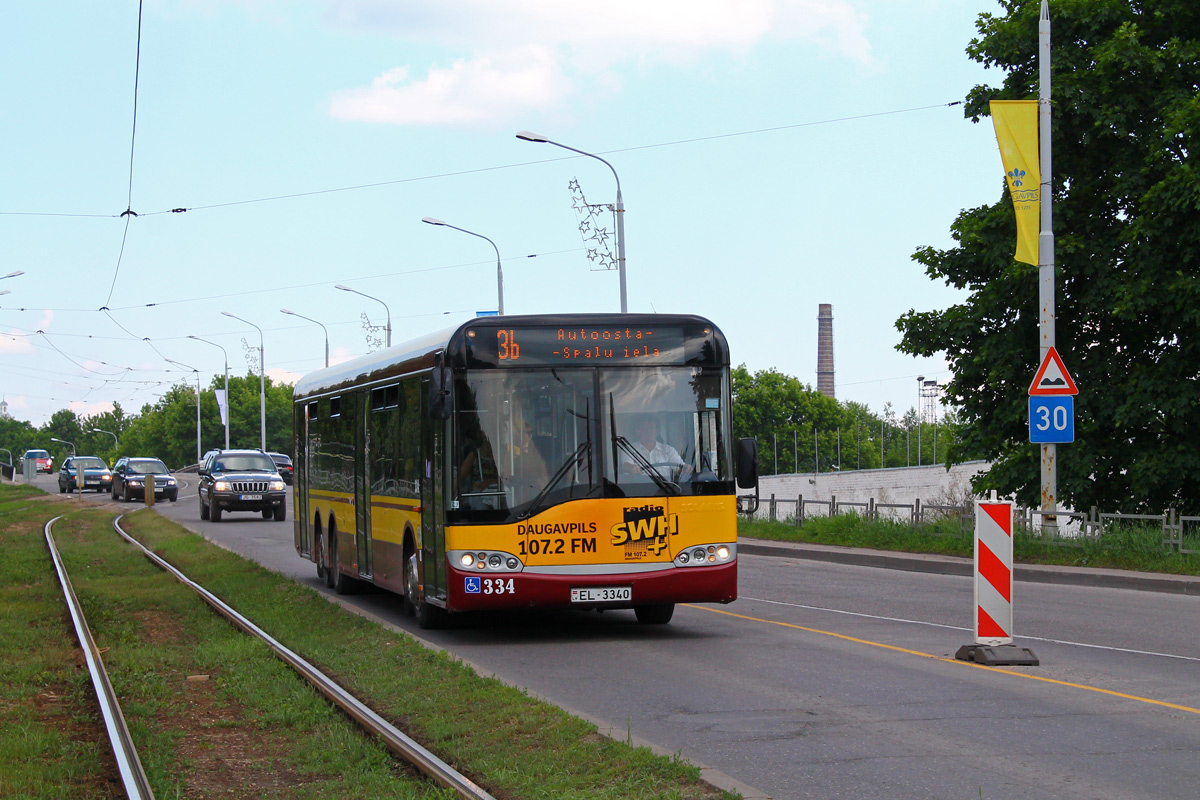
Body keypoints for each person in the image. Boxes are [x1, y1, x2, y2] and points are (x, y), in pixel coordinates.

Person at [621, 416, 692, 480]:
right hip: (639, 490)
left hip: (667, 489)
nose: (648, 431)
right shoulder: (629, 449)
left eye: (651, 428)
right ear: (637, 431)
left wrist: (686, 467)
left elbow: (679, 466)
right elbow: (626, 466)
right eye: (644, 428)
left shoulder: (668, 450)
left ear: (656, 431)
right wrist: (632, 468)